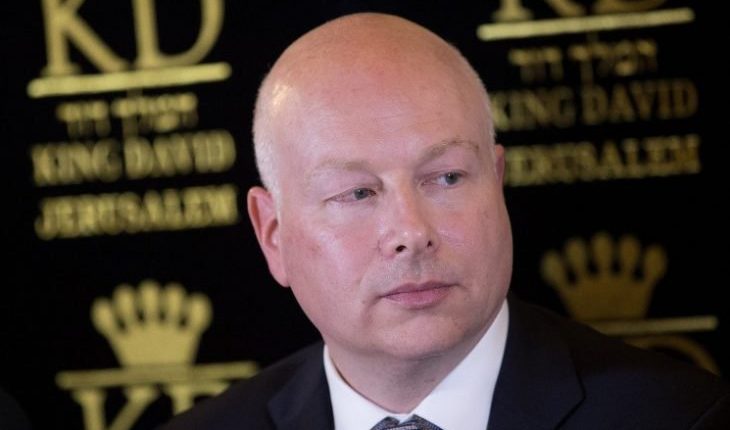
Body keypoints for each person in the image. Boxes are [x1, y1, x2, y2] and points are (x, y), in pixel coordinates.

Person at [162, 12, 729, 430]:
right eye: (357, 193)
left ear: (497, 182)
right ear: (272, 235)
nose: (412, 232)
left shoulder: (682, 418)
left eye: (447, 177)